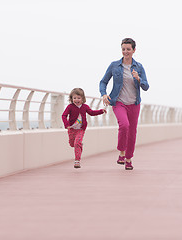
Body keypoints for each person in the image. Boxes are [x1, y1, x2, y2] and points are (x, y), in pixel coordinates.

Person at [99, 38, 149, 170]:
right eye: (123, 49)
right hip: (118, 102)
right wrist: (104, 94)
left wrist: (139, 79)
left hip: (134, 103)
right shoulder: (114, 65)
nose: (125, 52)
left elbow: (146, 86)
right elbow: (103, 82)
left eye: (128, 49)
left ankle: (128, 159)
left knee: (132, 132)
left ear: (134, 50)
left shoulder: (139, 67)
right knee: (124, 125)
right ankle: (121, 151)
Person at [62, 88, 107, 168]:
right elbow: (64, 115)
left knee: (77, 143)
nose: (76, 100)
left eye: (78, 98)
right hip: (71, 129)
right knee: (72, 144)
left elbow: (91, 113)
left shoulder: (85, 107)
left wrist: (101, 111)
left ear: (83, 98)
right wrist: (66, 124)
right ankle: (79, 145)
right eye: (74, 98)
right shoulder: (70, 107)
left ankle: (77, 161)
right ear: (71, 99)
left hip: (81, 129)